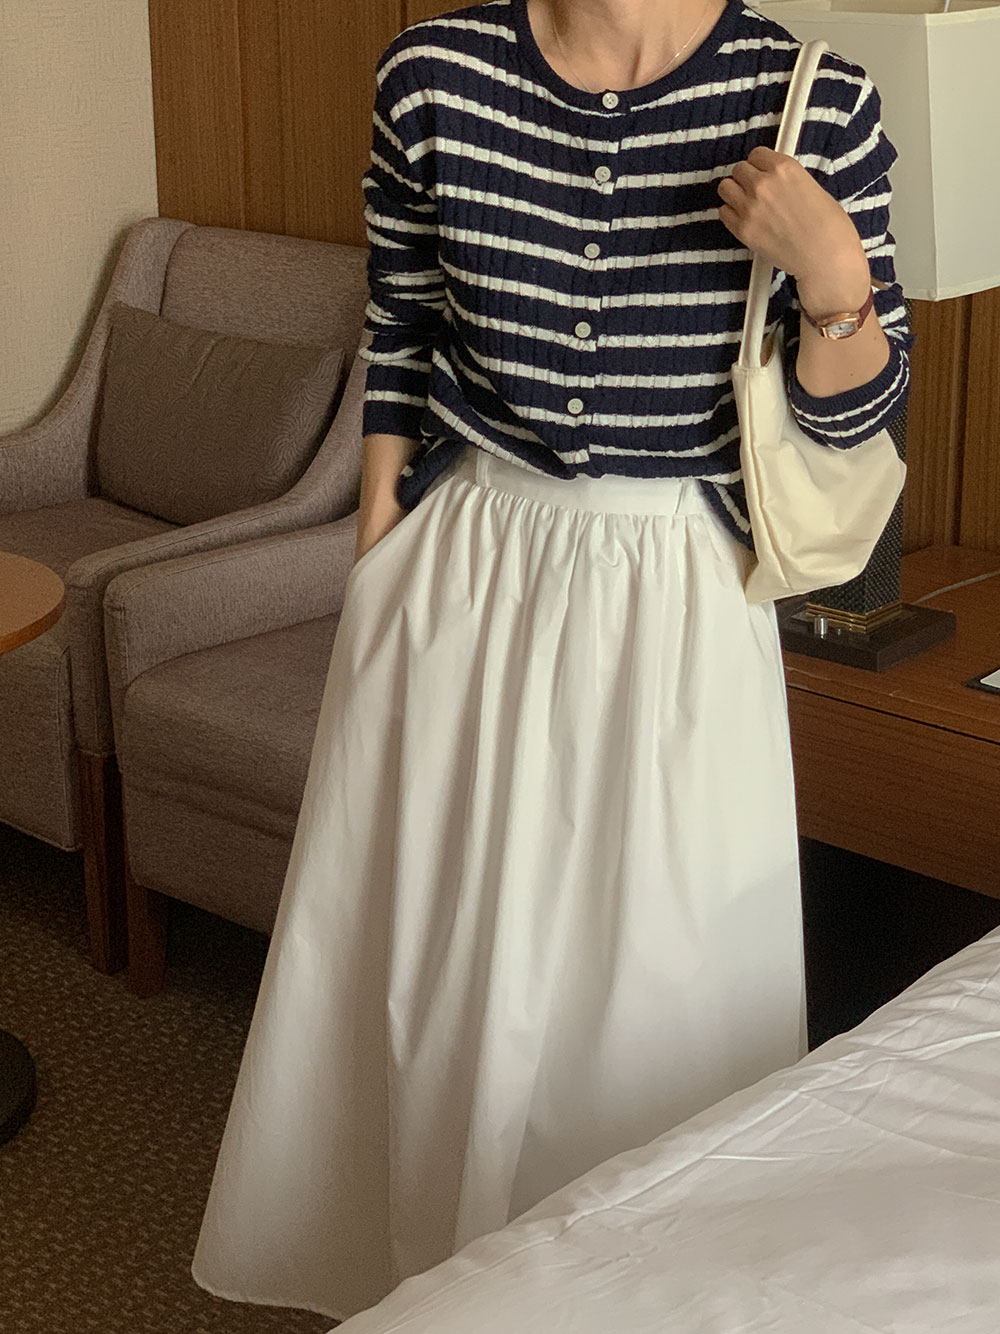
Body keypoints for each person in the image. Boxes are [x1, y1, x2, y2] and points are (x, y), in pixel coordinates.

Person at [191, 0, 915, 1322]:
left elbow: (861, 406)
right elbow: (401, 317)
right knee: (440, 965)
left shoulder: (809, 94)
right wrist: (378, 553)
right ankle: (423, 1281)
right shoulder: (434, 73)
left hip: (676, 592)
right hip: (466, 568)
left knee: (656, 992)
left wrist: (830, 268)